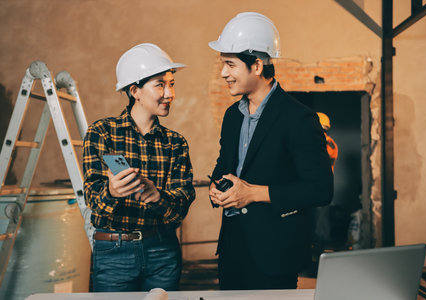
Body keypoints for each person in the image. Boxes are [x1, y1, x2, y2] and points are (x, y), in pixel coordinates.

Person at [208, 12, 334, 290]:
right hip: (232, 252)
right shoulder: (232, 116)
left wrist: (253, 193)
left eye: (230, 64)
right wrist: (217, 188)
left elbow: (320, 189)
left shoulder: (299, 119)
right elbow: (224, 166)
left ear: (256, 66)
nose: (223, 73)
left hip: (274, 255)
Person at [83, 43, 195, 292]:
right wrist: (112, 192)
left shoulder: (175, 143)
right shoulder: (102, 133)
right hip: (114, 253)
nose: (170, 94)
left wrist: (158, 197)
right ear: (135, 91)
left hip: (163, 252)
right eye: (160, 85)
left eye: (172, 84)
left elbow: (181, 206)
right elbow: (92, 200)